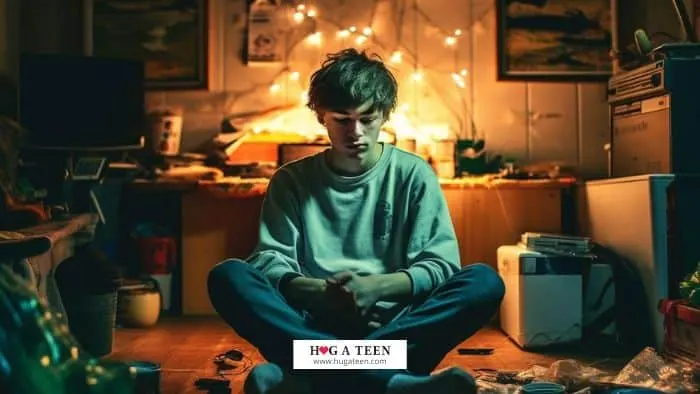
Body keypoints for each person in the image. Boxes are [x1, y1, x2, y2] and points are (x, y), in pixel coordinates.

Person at [207, 48, 505, 394]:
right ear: (321, 117)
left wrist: (375, 287)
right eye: (342, 119)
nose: (356, 132)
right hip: (313, 325)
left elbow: (440, 265)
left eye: (368, 118)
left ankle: (304, 382)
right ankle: (394, 384)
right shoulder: (291, 180)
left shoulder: (414, 174)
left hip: (394, 328)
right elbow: (270, 262)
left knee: (484, 282)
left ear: (384, 115)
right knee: (228, 276)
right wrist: (324, 294)